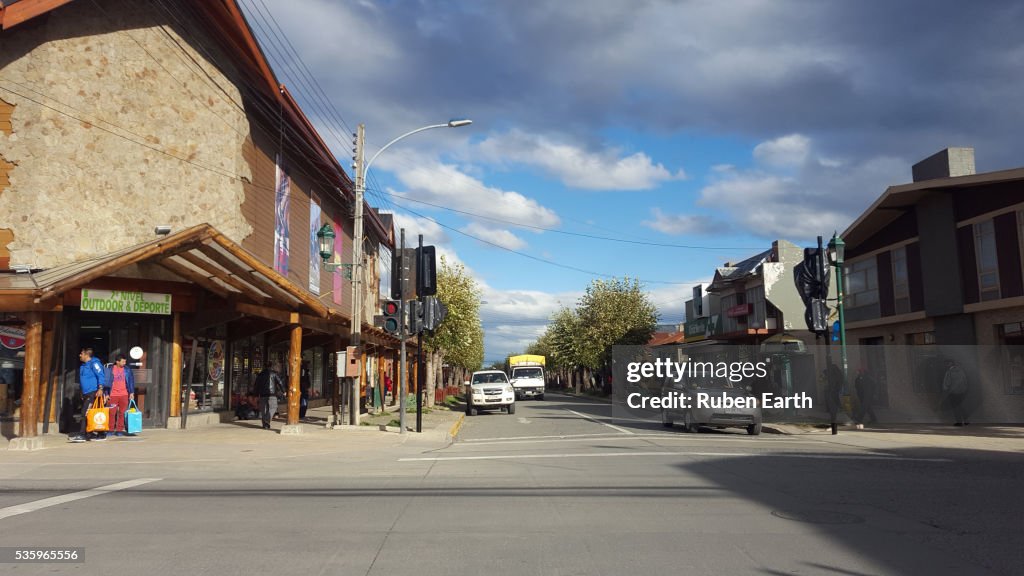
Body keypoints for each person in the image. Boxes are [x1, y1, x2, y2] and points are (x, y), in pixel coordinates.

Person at [69, 348, 107, 442]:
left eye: (81, 353)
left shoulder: (94, 363)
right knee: (92, 413)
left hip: (93, 392)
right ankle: (98, 434)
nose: (80, 355)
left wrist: (101, 388)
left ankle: (84, 434)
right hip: (86, 393)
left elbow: (101, 375)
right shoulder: (83, 366)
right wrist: (82, 392)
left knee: (85, 413)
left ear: (87, 355)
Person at [103, 354, 136, 437]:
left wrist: (131, 392)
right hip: (113, 395)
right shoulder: (110, 369)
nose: (124, 363)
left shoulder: (127, 370)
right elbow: (106, 382)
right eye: (123, 361)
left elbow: (131, 381)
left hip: (124, 394)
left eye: (125, 361)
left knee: (122, 413)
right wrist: (106, 394)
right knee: (111, 413)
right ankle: (110, 430)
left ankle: (119, 430)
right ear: (117, 362)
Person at [254, 361, 284, 430]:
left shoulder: (260, 374)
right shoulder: (274, 374)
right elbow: (280, 382)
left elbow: (256, 385)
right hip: (272, 394)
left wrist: (255, 394)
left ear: (264, 366)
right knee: (273, 407)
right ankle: (267, 421)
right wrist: (284, 391)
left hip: (262, 394)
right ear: (271, 366)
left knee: (263, 409)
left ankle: (265, 424)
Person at [942, 359, 969, 426]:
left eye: (946, 364)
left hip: (953, 392)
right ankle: (966, 421)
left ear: (949, 364)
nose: (945, 365)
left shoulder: (949, 372)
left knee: (955, 407)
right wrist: (964, 389)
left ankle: (959, 422)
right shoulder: (961, 370)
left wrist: (945, 390)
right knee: (961, 406)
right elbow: (965, 380)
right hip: (962, 391)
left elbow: (947, 383)